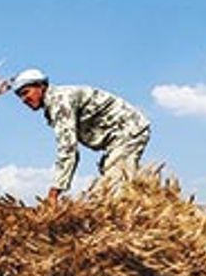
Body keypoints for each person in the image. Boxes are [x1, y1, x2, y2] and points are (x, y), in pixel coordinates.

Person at [12, 68, 152, 202]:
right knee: (113, 181)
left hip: (128, 131)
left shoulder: (60, 102)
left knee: (114, 188)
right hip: (118, 137)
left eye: (26, 92)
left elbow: (68, 149)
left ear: (41, 86)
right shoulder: (54, 104)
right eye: (20, 97)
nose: (24, 100)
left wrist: (54, 192)